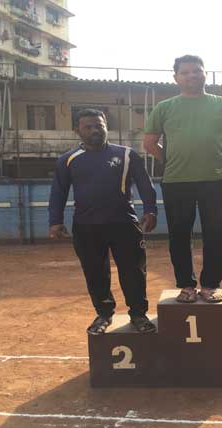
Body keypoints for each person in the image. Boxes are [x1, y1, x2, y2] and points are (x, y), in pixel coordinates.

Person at [143, 55, 222, 303]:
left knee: (215, 232)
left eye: (197, 71)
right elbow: (149, 143)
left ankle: (210, 285)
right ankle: (186, 286)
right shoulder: (164, 108)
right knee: (179, 234)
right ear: (176, 77)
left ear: (205, 74)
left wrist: (219, 158)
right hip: (176, 180)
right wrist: (169, 162)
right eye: (186, 72)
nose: (192, 76)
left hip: (216, 179)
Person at [49, 109, 157, 335]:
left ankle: (138, 314)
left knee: (133, 271)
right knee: (95, 272)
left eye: (99, 125)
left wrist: (150, 210)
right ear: (76, 131)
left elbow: (145, 185)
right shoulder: (67, 160)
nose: (95, 130)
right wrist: (55, 221)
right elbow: (58, 192)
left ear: (106, 126)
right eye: (88, 127)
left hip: (124, 224)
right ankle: (104, 314)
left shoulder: (127, 155)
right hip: (87, 227)